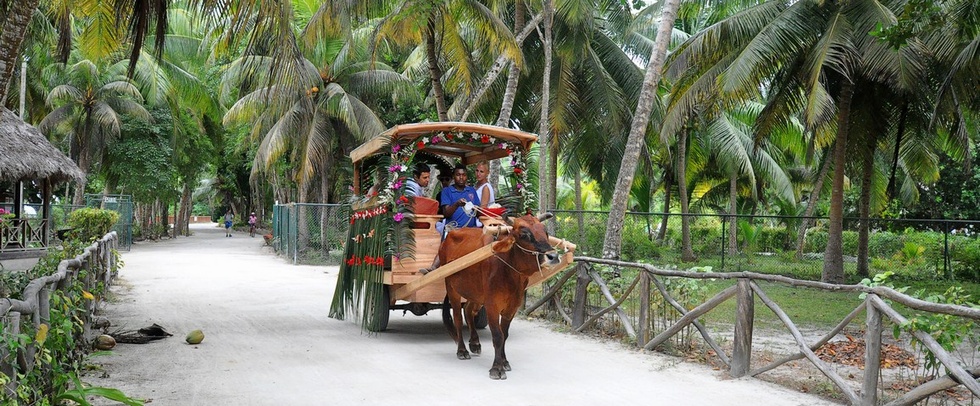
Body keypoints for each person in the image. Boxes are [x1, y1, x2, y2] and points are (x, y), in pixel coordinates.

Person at [421, 164, 481, 275]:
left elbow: (478, 212)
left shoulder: (471, 191)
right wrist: (457, 204)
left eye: (463, 175)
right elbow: (446, 213)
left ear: (467, 176)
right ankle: (433, 268)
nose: (461, 177)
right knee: (444, 246)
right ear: (454, 176)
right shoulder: (447, 191)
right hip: (454, 229)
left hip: (470, 231)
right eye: (458, 175)